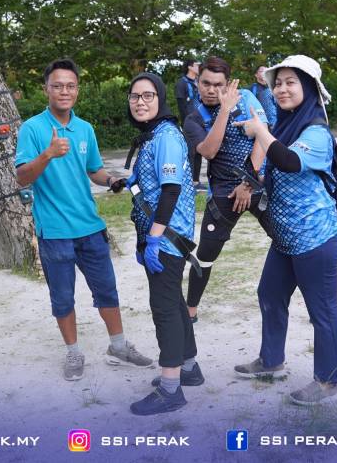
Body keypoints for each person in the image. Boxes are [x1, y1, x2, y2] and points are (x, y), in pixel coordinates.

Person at [15, 58, 152, 381]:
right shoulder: (32, 129)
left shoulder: (85, 129)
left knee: (107, 291)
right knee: (63, 298)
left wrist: (111, 180)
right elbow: (22, 177)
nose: (64, 91)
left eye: (70, 86)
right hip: (54, 231)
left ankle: (118, 346)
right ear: (46, 89)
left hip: (90, 226)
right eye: (58, 86)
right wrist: (48, 154)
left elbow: (94, 170)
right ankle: (74, 353)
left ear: (77, 90)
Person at [233, 54, 337, 405]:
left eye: (291, 83)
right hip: (286, 237)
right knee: (270, 293)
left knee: (323, 310)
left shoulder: (316, 131)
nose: (282, 89)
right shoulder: (285, 127)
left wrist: (260, 131)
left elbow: (289, 161)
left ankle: (329, 380)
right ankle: (271, 361)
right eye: (279, 83)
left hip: (316, 238)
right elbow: (273, 162)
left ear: (310, 89)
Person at [125, 72, 202, 416]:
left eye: (148, 95)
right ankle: (189, 368)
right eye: (135, 96)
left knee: (165, 308)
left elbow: (171, 190)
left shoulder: (167, 136)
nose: (140, 102)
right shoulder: (155, 134)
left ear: (160, 99)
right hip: (163, 237)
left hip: (167, 240)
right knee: (174, 300)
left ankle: (170, 389)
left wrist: (154, 238)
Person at [183, 56, 271, 323]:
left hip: (257, 185)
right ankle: (190, 310)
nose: (211, 90)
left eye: (218, 85)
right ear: (197, 83)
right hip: (223, 193)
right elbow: (209, 151)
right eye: (206, 83)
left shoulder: (247, 98)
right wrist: (224, 110)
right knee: (205, 254)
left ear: (228, 84)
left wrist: (248, 182)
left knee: (288, 240)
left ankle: (312, 302)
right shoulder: (193, 118)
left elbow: (263, 136)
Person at [175, 59, 204, 188]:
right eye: (197, 65)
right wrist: (186, 123)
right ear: (190, 67)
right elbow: (181, 106)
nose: (199, 67)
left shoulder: (198, 82)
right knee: (190, 153)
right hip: (189, 123)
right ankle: (188, 182)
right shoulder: (181, 83)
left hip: (201, 122)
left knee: (199, 151)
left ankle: (196, 181)